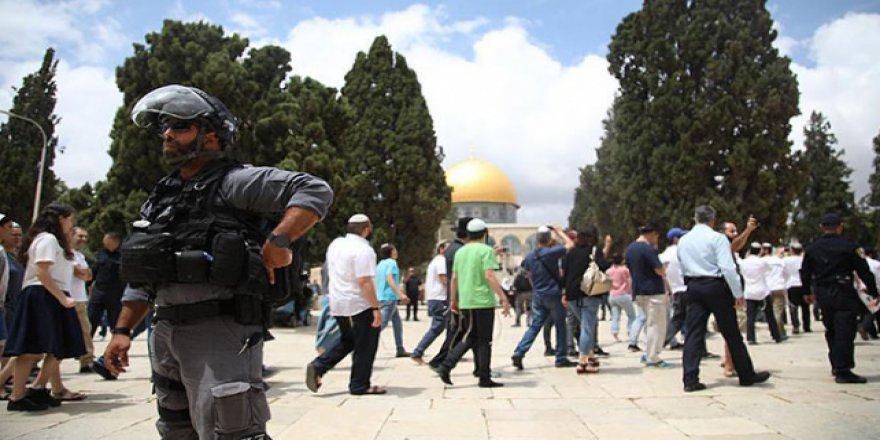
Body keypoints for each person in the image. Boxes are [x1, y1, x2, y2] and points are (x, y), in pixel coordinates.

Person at [102, 84, 333, 438]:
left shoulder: (235, 181)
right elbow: (145, 271)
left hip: (220, 332)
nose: (167, 134)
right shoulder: (162, 196)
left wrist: (278, 240)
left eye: (180, 126)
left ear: (211, 135)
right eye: (164, 126)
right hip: (165, 333)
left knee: (231, 431)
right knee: (175, 429)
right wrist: (122, 331)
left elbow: (314, 189)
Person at [4, 203, 88, 411]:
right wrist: (62, 298)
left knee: (57, 346)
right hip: (42, 294)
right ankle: (18, 395)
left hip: (51, 294)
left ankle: (38, 387)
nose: (71, 223)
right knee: (31, 349)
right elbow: (42, 272)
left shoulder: (55, 242)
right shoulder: (47, 239)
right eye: (69, 219)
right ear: (60, 218)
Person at [677, 205, 770, 392]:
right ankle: (746, 374)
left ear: (695, 218)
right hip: (716, 286)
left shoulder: (684, 240)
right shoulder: (717, 238)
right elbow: (728, 268)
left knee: (694, 333)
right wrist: (738, 293)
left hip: (694, 286)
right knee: (731, 332)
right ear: (712, 219)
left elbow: (682, 264)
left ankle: (690, 378)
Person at [307, 214, 385, 395]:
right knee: (366, 344)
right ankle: (359, 384)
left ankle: (319, 366)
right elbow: (364, 281)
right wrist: (375, 307)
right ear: (366, 229)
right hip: (358, 303)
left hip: (338, 302)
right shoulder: (364, 250)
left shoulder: (336, 244)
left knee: (349, 340)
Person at [800, 213, 879, 384]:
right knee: (845, 329)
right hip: (843, 291)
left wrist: (807, 292)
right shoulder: (850, 247)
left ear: (822, 227)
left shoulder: (812, 248)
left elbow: (805, 272)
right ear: (840, 226)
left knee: (831, 328)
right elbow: (864, 271)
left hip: (823, 292)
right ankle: (843, 370)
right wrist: (874, 292)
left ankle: (836, 364)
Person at [437, 219, 511, 387]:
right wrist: (503, 297)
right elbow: (489, 275)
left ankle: (456, 368)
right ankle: (453, 368)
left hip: (466, 300)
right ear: (484, 233)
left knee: (472, 337)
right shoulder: (486, 251)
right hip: (482, 301)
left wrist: (453, 300)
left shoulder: (460, 252)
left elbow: (454, 278)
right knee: (482, 339)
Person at [511, 225, 576, 370]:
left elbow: (530, 276)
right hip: (553, 293)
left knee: (535, 326)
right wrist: (559, 231)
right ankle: (561, 357)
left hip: (538, 294)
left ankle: (520, 351)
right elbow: (571, 244)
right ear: (549, 239)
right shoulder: (551, 253)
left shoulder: (529, 257)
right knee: (560, 325)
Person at [562, 225, 610, 374]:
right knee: (587, 327)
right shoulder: (594, 252)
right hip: (589, 293)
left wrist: (563, 293)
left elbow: (565, 273)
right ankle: (583, 361)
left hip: (572, 295)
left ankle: (590, 355)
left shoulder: (570, 253)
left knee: (585, 325)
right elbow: (603, 266)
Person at [625, 223, 670, 368]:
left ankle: (649, 352)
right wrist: (664, 268)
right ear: (652, 234)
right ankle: (653, 357)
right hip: (653, 291)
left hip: (638, 290)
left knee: (648, 324)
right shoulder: (648, 249)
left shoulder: (630, 249)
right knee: (657, 325)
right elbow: (659, 270)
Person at [88, 232, 126, 380]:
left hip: (116, 295)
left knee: (117, 328)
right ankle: (86, 359)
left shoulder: (122, 256)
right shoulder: (100, 255)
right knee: (90, 323)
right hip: (99, 293)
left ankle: (109, 360)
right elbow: (93, 273)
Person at [411, 242, 448, 364]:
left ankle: (451, 352)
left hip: (436, 298)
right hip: (440, 298)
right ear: (441, 249)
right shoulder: (441, 261)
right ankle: (418, 351)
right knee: (437, 327)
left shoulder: (437, 261)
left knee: (445, 327)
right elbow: (444, 279)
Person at [741, 243, 782, 344]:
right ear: (760, 251)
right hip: (763, 291)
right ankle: (776, 336)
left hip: (749, 292)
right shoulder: (761, 262)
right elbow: (768, 270)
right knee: (770, 315)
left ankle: (751, 338)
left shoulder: (744, 262)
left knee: (750, 317)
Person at [376, 243, 410, 357]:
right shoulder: (392, 263)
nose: (396, 252)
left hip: (381, 296)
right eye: (394, 250)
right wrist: (400, 294)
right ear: (391, 252)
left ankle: (400, 348)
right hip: (389, 297)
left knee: (397, 323)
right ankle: (364, 341)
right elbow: (390, 279)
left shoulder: (380, 264)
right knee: (383, 323)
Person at [69, 227, 95, 373]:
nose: (84, 239)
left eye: (86, 237)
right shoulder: (65, 253)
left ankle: (87, 361)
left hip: (80, 299)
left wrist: (83, 272)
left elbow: (89, 275)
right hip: (65, 298)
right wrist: (82, 272)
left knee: (85, 330)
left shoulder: (80, 256)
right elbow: (80, 273)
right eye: (80, 236)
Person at [662, 228, 688, 349]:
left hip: (675, 290)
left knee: (680, 318)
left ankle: (661, 342)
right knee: (683, 319)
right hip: (686, 288)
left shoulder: (663, 255)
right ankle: (662, 341)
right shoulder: (683, 251)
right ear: (675, 239)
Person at [762, 243, 789, 340]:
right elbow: (786, 274)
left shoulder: (762, 261)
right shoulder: (779, 261)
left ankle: (776, 331)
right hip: (779, 286)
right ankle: (779, 332)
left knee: (770, 313)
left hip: (767, 288)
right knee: (778, 311)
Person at [606, 253, 635, 343]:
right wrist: (631, 292)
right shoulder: (625, 270)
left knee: (615, 316)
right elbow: (630, 281)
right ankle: (631, 331)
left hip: (612, 295)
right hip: (623, 294)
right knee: (631, 315)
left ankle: (615, 332)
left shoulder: (608, 271)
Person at [783, 243, 810, 334]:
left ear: (792, 250)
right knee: (805, 307)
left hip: (792, 284)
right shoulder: (804, 259)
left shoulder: (786, 260)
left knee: (793, 307)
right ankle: (807, 326)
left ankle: (795, 326)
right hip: (803, 284)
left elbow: (784, 272)